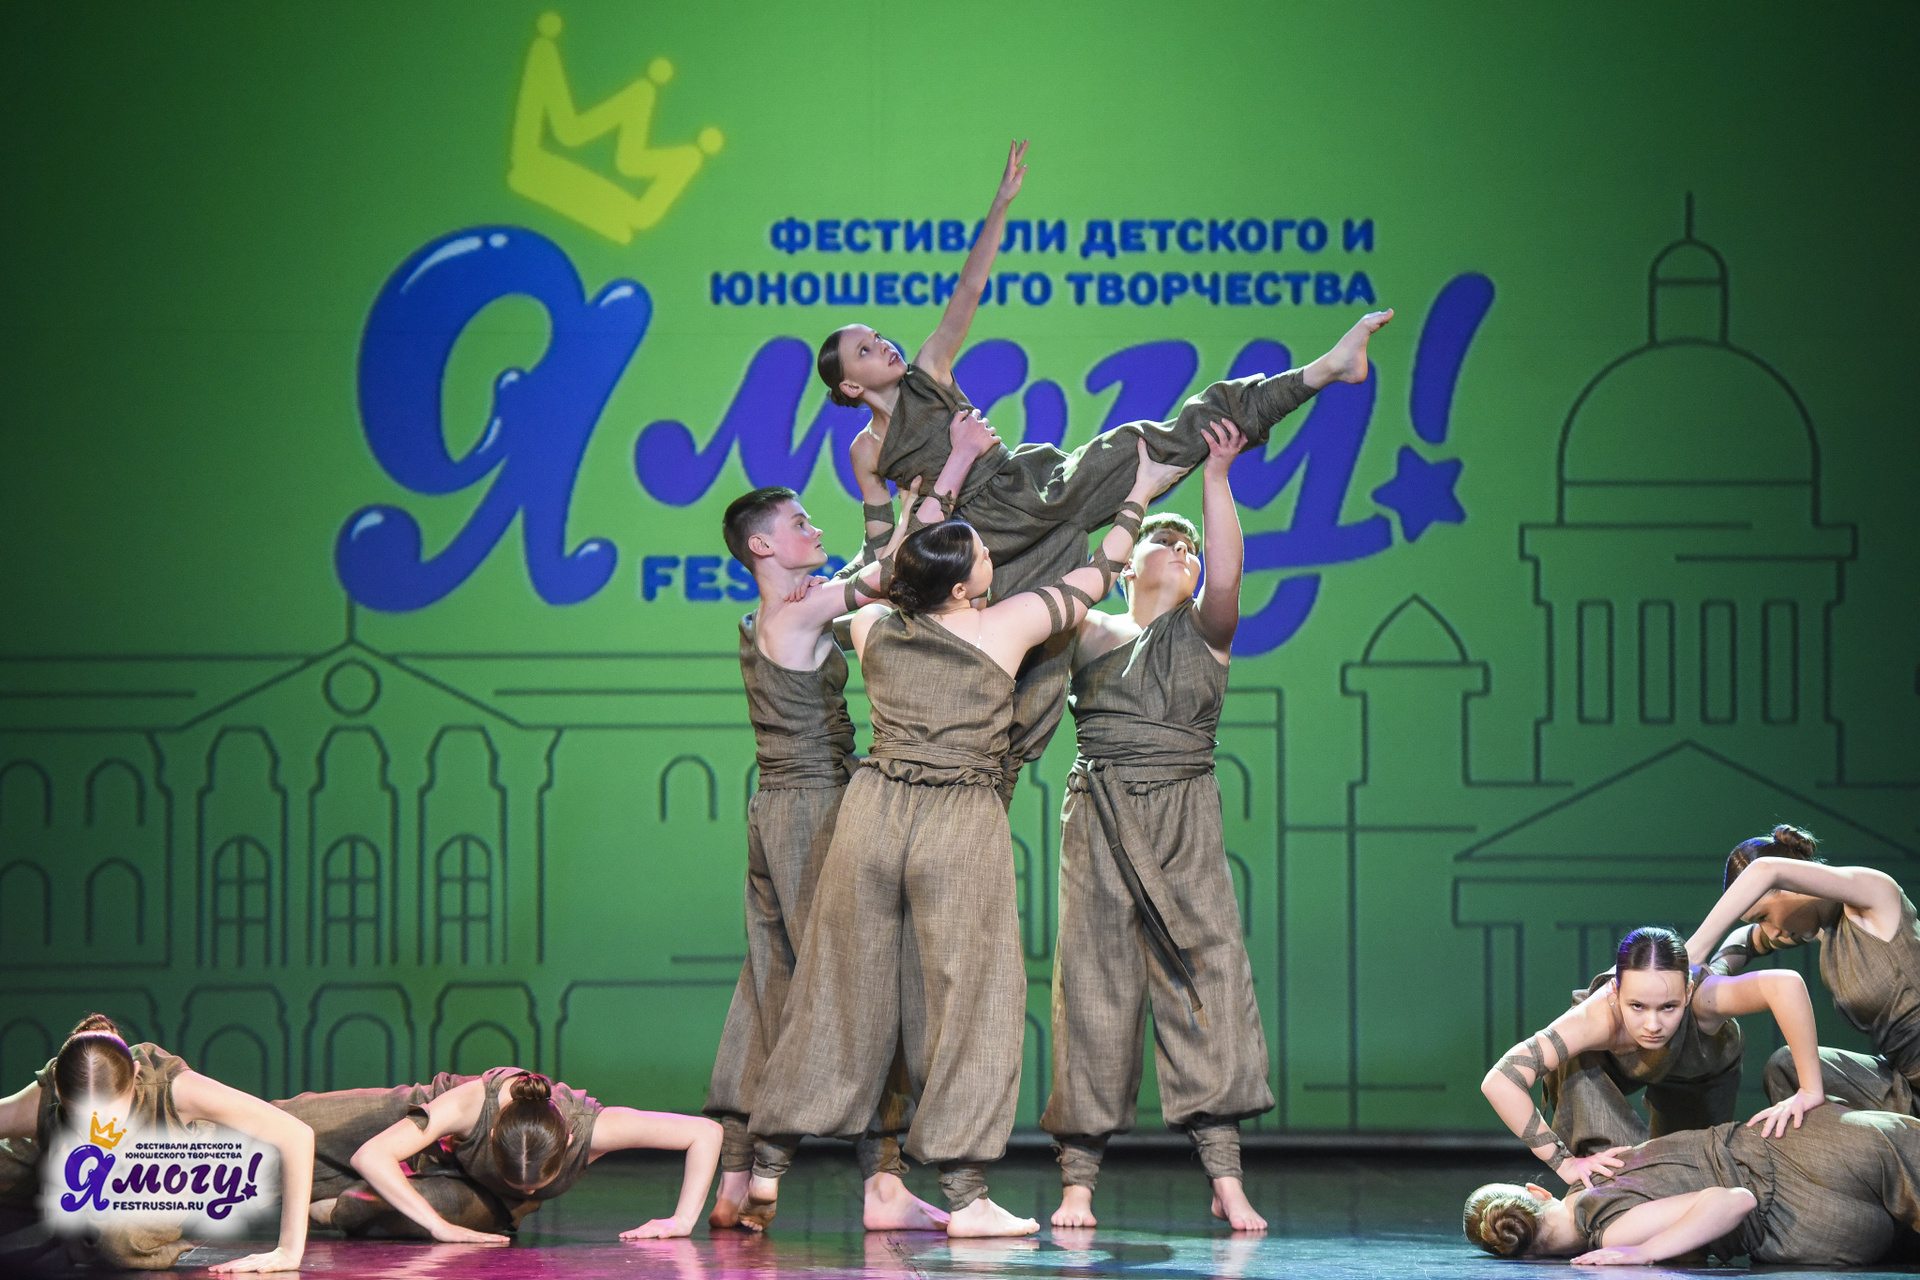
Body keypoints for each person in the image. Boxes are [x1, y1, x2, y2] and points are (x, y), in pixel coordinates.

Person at [818, 140, 1392, 787]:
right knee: (1021, 676)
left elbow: (969, 289)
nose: (883, 346)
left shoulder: (930, 370)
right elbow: (881, 544)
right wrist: (835, 596)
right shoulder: (865, 451)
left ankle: (1323, 370)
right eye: (865, 350)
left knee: (1155, 441)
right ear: (850, 386)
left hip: (1033, 488)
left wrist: (1000, 204)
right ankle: (975, 790)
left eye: (878, 337)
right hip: (985, 544)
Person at [748, 437, 1188, 1238]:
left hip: (874, 811)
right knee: (972, 999)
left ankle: (767, 1166)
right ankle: (966, 1196)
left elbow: (883, 570)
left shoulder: (874, 625)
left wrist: (898, 507)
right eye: (983, 553)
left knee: (833, 984)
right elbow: (1097, 575)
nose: (993, 556)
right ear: (962, 584)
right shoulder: (1006, 626)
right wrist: (1140, 495)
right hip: (958, 816)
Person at [703, 418, 996, 1232]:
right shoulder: (795, 617)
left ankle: (741, 1173)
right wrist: (956, 461)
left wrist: (891, 501)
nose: (813, 529)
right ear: (761, 546)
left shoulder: (778, 615)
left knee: (776, 980)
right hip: (817, 808)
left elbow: (874, 569)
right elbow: (898, 573)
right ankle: (851, 1176)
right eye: (798, 523)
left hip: (778, 808)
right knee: (857, 984)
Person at [1040, 419, 1270, 1231]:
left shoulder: (1206, 632)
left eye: (1189, 549)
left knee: (1207, 983)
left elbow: (1229, 569)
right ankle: (1078, 1180)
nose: (1183, 553)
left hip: (1182, 818)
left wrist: (1216, 478)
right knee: (1092, 986)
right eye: (1165, 545)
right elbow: (1054, 589)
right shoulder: (1087, 631)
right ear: (1130, 563)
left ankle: (1225, 1174)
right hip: (1100, 815)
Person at [1481, 926, 1826, 1190]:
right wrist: (1564, 1163)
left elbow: (1786, 985)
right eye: (1637, 1006)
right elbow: (1501, 1080)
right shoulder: (1593, 1019)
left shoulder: (1704, 998)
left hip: (1700, 1070)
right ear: (1615, 990)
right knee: (1626, 1183)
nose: (1652, 1025)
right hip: (1607, 1067)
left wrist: (1810, 1089)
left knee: (1690, 1185)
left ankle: (1753, 938)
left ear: (1687, 993)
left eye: (1668, 1007)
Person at [0, 1014, 314, 1272]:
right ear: (56, 1086)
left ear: (135, 1075)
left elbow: (297, 1135)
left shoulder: (175, 1088)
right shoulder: (47, 1096)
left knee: (119, 1238)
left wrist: (288, 1250)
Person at [278, 1066, 719, 1242]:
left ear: (567, 1142)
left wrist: (682, 1221)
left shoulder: (596, 1129)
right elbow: (371, 1155)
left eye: (535, 1187)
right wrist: (438, 1229)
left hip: (486, 1198)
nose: (528, 1191)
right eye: (517, 1181)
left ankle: (324, 1209)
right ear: (491, 1136)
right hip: (421, 1127)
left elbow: (705, 1132)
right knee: (288, 1127)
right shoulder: (469, 1105)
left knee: (370, 1205)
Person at [1463, 1104, 1920, 1266]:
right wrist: (1643, 1251)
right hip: (1800, 1179)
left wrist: (1648, 1249)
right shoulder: (1601, 1203)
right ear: (1537, 1192)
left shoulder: (1597, 1199)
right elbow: (1733, 1200)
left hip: (1804, 1189)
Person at [1687, 824, 1920, 1114]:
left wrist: (1689, 956)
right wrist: (1713, 975)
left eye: (1764, 916)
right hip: (1907, 1085)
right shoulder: (1823, 931)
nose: (1771, 932)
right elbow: (1746, 940)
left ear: (1791, 885)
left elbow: (1765, 869)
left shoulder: (1876, 897)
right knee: (1785, 1067)